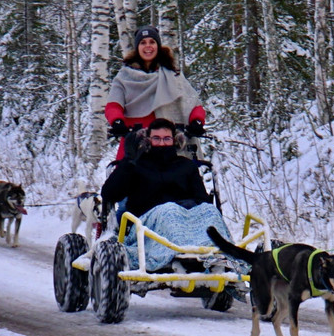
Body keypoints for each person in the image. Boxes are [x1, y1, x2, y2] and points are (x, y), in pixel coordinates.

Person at [100, 119, 238, 273]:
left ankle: (221, 255)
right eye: (156, 138)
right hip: (147, 224)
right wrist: (128, 160)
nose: (162, 143)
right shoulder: (137, 165)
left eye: (167, 138)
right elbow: (109, 194)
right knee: (169, 210)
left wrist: (189, 205)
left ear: (174, 140)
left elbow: (202, 200)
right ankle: (181, 256)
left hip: (185, 218)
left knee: (209, 210)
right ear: (148, 140)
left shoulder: (186, 165)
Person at [105, 26, 206, 160]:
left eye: (152, 42)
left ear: (158, 45)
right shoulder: (124, 77)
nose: (148, 46)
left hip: (168, 146)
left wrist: (197, 121)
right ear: (137, 47)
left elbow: (193, 104)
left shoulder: (173, 76)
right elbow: (113, 105)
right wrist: (117, 121)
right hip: (136, 145)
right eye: (143, 42)